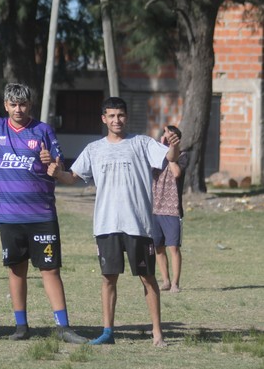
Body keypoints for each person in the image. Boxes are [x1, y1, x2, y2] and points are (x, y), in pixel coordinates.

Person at [0, 82, 87, 343]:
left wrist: (54, 166)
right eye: (13, 105)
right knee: (16, 271)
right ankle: (21, 326)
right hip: (10, 217)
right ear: (6, 106)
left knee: (50, 270)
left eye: (23, 104)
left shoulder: (43, 130)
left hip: (42, 215)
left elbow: (59, 164)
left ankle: (63, 327)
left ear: (30, 105)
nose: (18, 109)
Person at [51, 97, 180, 347]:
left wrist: (175, 145)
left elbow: (170, 157)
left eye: (120, 115)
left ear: (126, 117)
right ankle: (107, 332)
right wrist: (57, 173)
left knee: (147, 277)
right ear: (104, 119)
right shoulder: (94, 149)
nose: (116, 120)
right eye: (111, 116)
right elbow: (72, 177)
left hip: (138, 225)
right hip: (106, 225)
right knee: (108, 278)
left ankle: (157, 333)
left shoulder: (142, 143)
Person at [152, 125, 188, 293]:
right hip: (154, 209)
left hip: (172, 210)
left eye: (171, 138)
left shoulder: (182, 156)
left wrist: (171, 151)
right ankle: (165, 281)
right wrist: (161, 149)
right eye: (165, 137)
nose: (167, 140)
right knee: (158, 248)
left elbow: (177, 173)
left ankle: (175, 283)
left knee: (173, 248)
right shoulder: (155, 156)